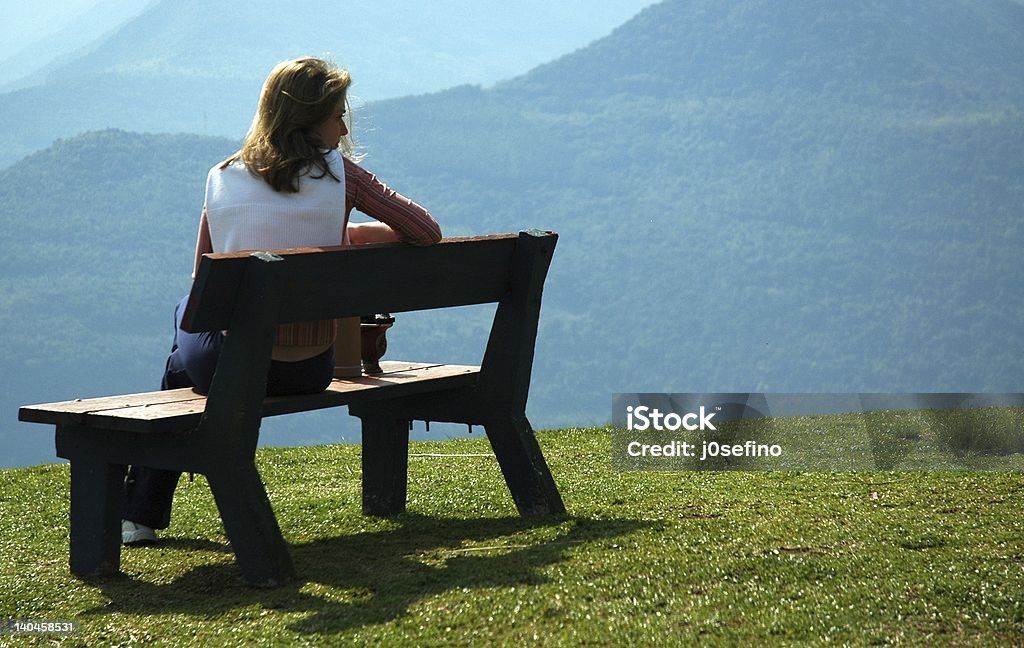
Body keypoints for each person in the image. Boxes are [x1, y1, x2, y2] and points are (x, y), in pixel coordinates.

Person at [121, 57, 442, 545]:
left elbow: (202, 287)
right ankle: (144, 508)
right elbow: (426, 232)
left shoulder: (222, 176)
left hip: (229, 370)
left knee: (179, 339)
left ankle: (142, 511)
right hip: (309, 368)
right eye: (338, 113)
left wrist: (344, 235)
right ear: (311, 117)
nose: (344, 123)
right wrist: (348, 235)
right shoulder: (343, 178)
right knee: (185, 345)